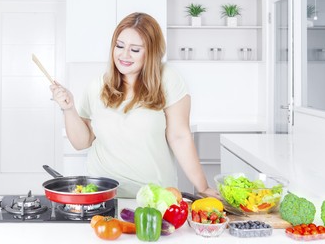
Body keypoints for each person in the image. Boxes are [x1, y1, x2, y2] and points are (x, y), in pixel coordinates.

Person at [51, 12, 217, 198]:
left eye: (135, 50)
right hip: (105, 195)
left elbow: (179, 136)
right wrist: (68, 109)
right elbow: (82, 142)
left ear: (152, 52)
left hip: (155, 197)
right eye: (119, 46)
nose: (124, 55)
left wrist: (203, 187)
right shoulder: (97, 85)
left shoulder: (168, 79)